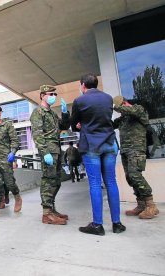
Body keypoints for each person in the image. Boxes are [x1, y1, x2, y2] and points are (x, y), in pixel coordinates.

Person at [71, 73, 126, 236]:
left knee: (95, 184)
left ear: (82, 85)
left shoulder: (79, 101)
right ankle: (117, 224)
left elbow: (74, 125)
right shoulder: (108, 98)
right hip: (109, 142)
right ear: (96, 83)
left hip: (91, 145)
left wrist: (81, 125)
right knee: (111, 181)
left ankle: (97, 225)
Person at [113, 96, 159, 219]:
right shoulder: (123, 118)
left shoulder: (138, 109)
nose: (119, 110)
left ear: (124, 103)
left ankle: (151, 205)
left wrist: (115, 106)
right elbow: (110, 125)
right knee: (130, 178)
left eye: (120, 106)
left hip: (136, 150)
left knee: (135, 175)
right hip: (125, 151)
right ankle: (141, 205)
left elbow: (130, 110)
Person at [30, 85, 70, 225]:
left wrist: (65, 113)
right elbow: (37, 134)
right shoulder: (38, 112)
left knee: (56, 181)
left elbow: (64, 127)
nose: (53, 96)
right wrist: (45, 152)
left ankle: (51, 209)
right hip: (48, 151)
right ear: (42, 95)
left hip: (57, 150)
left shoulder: (52, 114)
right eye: (50, 94)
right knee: (48, 181)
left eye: (55, 94)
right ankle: (46, 214)